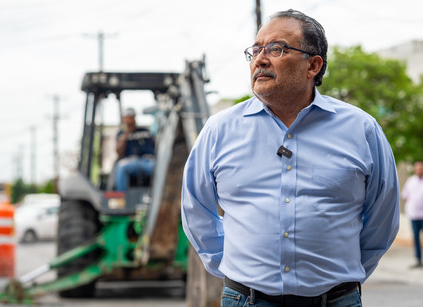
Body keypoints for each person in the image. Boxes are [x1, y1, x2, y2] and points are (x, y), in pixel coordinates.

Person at [181, 9, 400, 307]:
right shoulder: (220, 130)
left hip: (335, 300)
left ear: (313, 65)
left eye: (276, 48)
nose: (260, 59)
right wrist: (235, 269)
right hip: (247, 300)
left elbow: (382, 218)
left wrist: (339, 277)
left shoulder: (361, 130)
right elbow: (196, 209)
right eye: (255, 50)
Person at [114, 108, 155, 192]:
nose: (130, 122)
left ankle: (157, 194)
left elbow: (155, 146)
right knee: (121, 167)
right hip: (130, 162)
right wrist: (126, 133)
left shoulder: (145, 131)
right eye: (127, 119)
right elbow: (119, 152)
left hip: (148, 161)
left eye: (131, 118)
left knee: (158, 167)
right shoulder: (121, 134)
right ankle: (122, 197)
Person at [402, 161, 423, 268]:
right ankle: (418, 260)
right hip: (414, 215)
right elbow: (405, 195)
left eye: (421, 168)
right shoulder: (410, 181)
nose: (419, 170)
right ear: (415, 170)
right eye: (417, 168)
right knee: (416, 238)